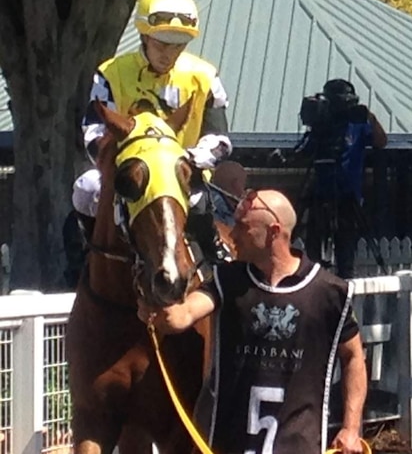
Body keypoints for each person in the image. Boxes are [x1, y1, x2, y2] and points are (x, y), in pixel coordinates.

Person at [138, 189, 368, 454]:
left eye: (243, 227)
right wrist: (155, 305)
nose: (232, 235)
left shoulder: (329, 293)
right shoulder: (228, 281)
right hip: (227, 444)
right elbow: (183, 316)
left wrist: (351, 428)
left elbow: (353, 358)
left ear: (273, 232)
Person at [73, 0, 233, 263]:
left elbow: (219, 139)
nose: (169, 53)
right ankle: (85, 260)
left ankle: (215, 262)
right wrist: (120, 163)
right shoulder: (110, 72)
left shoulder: (205, 76)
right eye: (162, 43)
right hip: (127, 175)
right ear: (144, 35)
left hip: (183, 176)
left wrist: (191, 158)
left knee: (198, 204)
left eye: (178, 44)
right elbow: (93, 132)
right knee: (85, 189)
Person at [300, 79, 387, 279]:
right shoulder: (321, 126)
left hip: (348, 195)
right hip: (321, 194)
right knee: (314, 250)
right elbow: (306, 152)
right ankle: (314, 282)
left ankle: (345, 289)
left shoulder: (357, 123)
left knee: (345, 253)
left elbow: (381, 142)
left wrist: (368, 117)